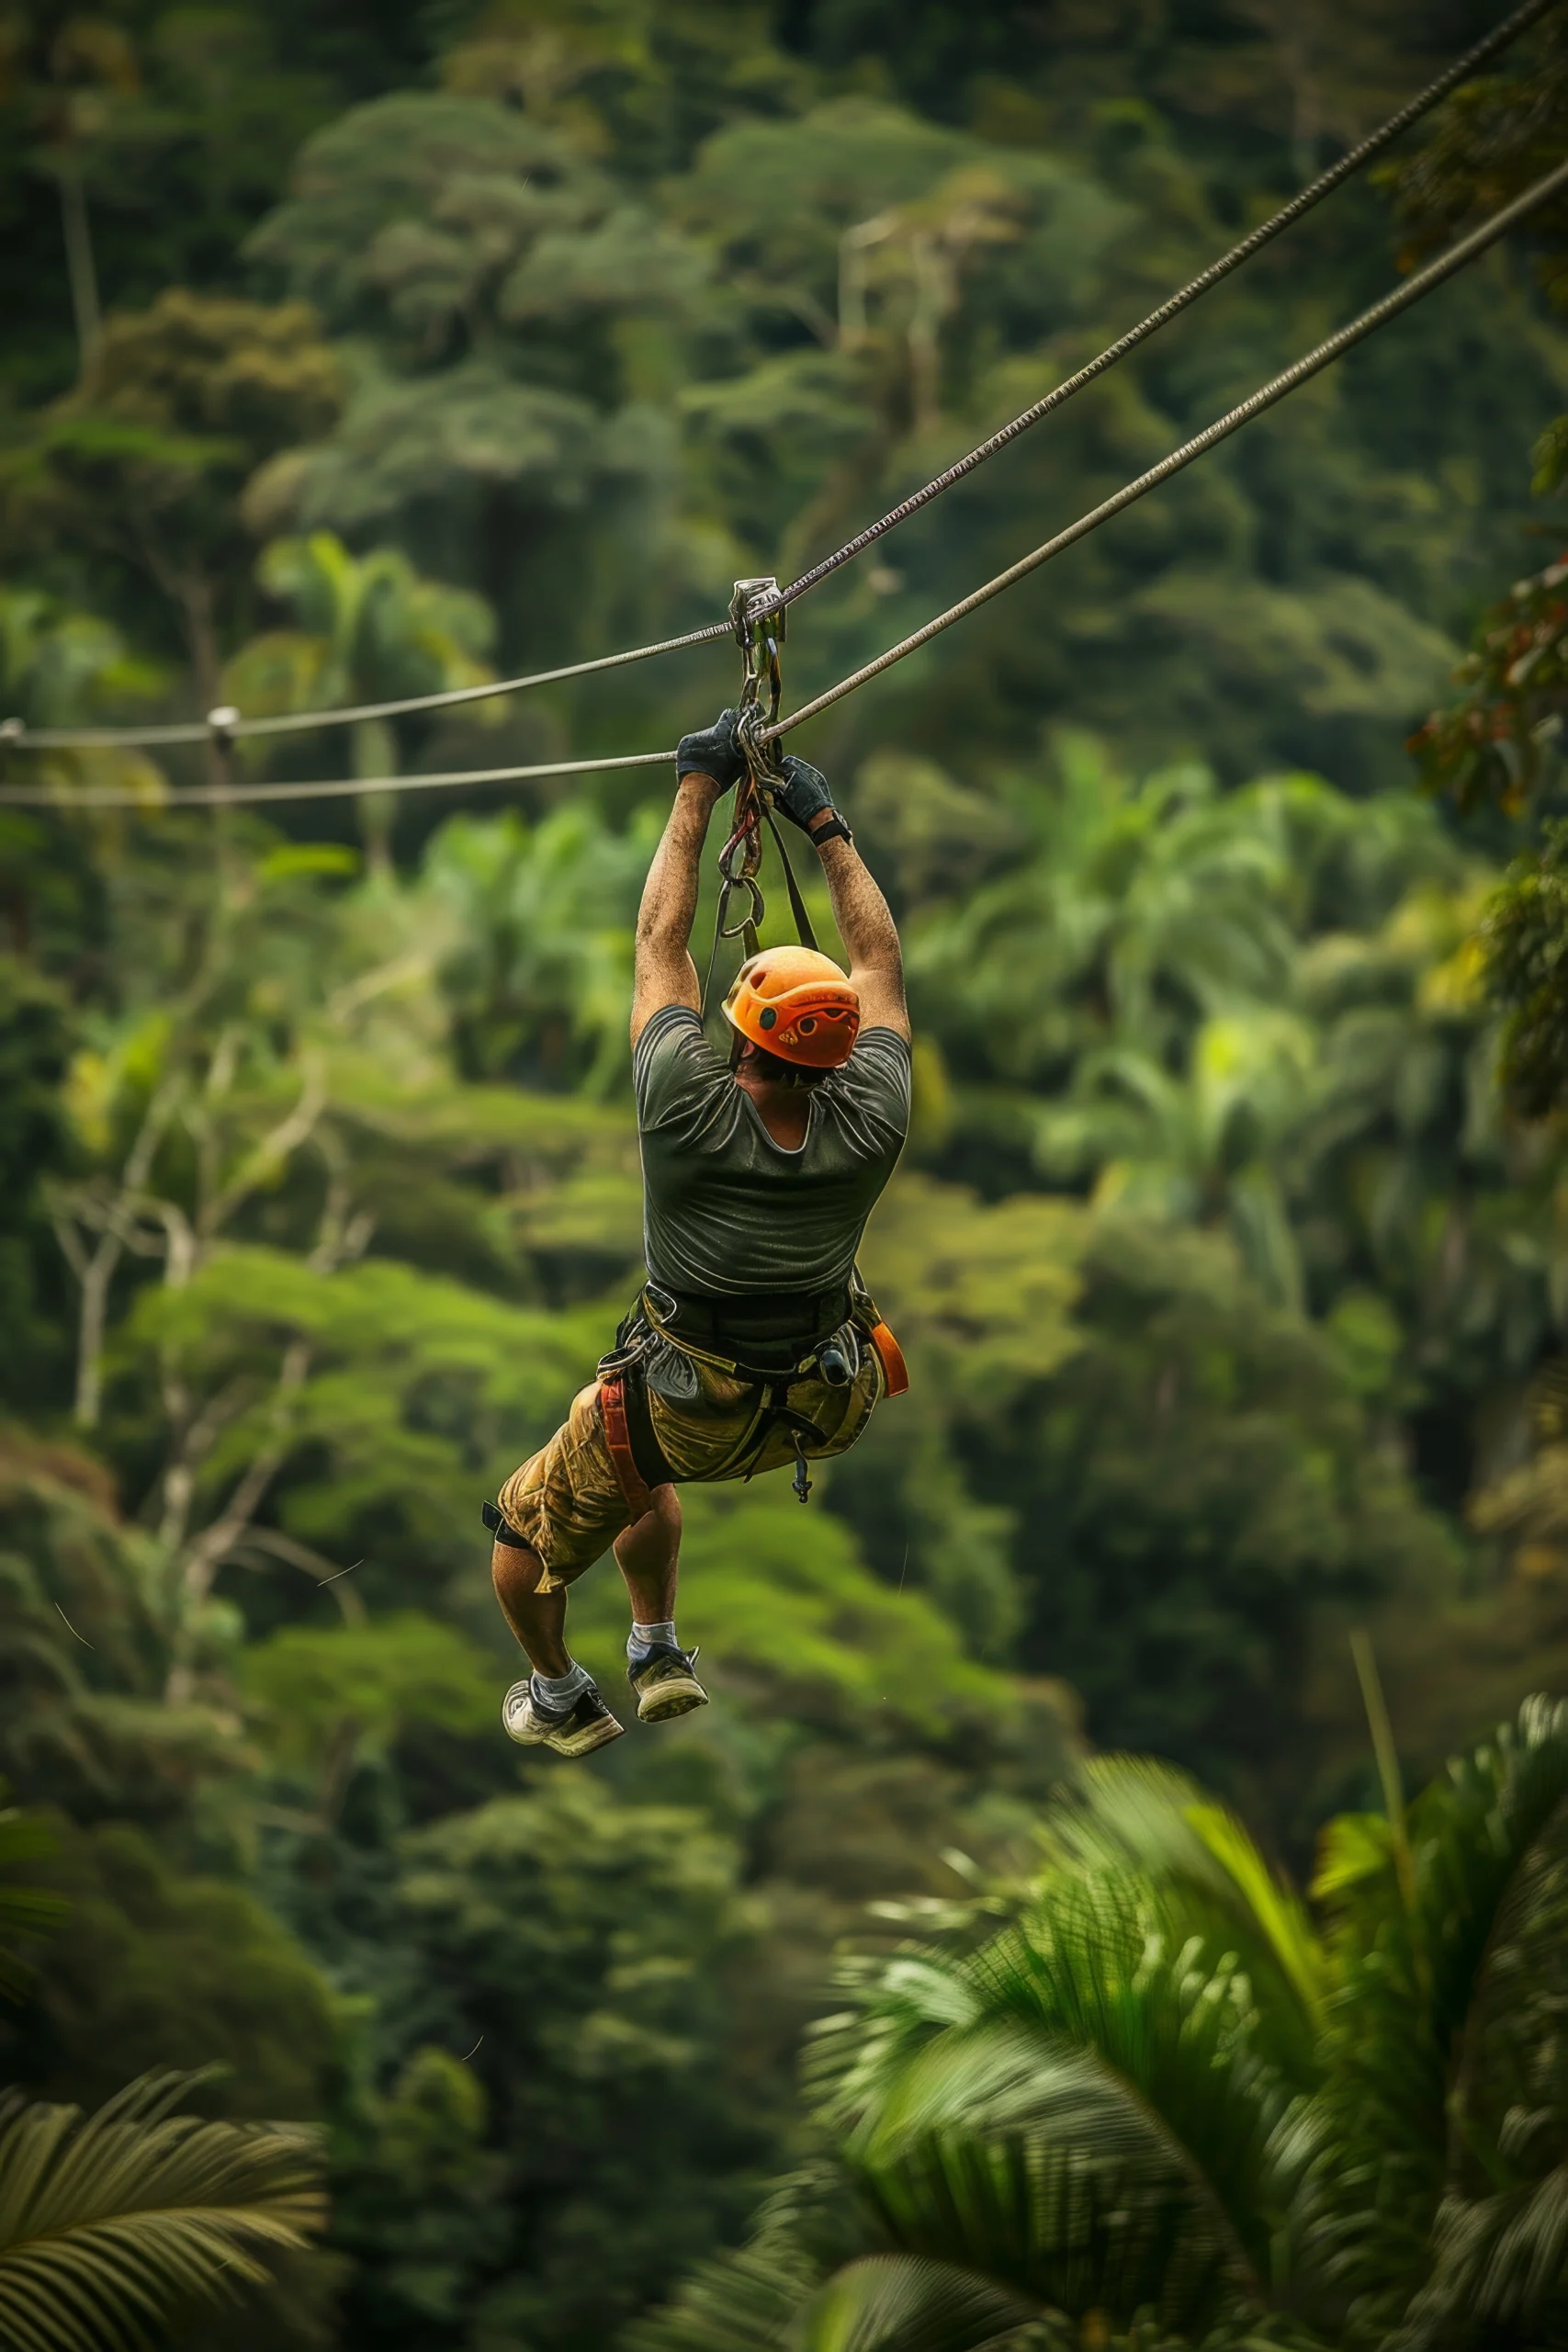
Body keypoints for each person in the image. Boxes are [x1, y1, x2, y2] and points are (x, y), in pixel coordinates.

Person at [483, 707, 912, 1755]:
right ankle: (656, 1645)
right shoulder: (877, 1116)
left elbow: (658, 943)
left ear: (738, 1034)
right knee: (620, 1432)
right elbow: (882, 963)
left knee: (522, 1529)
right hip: (822, 1394)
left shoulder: (684, 1105)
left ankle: (556, 1692)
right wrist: (826, 824)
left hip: (690, 1403)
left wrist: (695, 786)